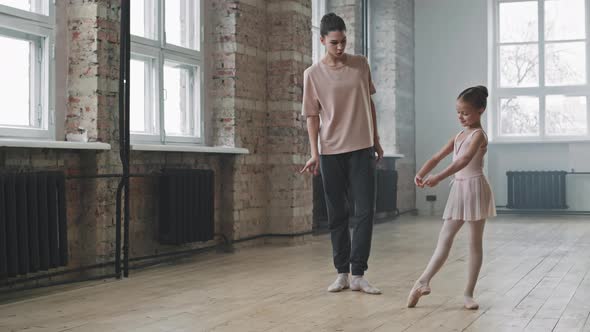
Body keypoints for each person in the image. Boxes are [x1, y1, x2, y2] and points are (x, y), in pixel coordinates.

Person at [300, 13, 384, 294]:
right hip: (331, 151)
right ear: (322, 40)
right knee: (337, 214)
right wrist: (314, 153)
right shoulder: (312, 75)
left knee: (365, 211)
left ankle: (358, 273)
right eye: (334, 42)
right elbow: (312, 117)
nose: (340, 47)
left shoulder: (361, 64)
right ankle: (342, 273)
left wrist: (376, 139)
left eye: (343, 41)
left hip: (362, 148)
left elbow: (369, 104)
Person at [408, 85, 496, 309]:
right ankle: (422, 281)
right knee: (445, 239)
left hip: (475, 188)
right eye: (458, 112)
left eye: (465, 112)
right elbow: (437, 156)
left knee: (474, 243)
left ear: (480, 110)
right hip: (459, 189)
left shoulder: (479, 135)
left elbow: (463, 161)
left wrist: (437, 177)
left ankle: (468, 294)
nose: (461, 116)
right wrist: (421, 173)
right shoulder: (458, 135)